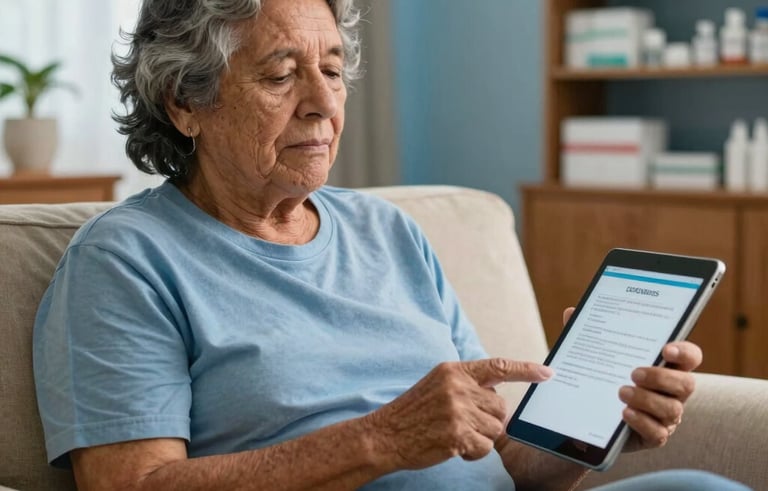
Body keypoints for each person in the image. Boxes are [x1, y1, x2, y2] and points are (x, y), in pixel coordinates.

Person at [32, 1, 751, 490]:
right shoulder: (126, 258)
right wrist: (379, 438)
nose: (322, 101)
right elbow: (135, 484)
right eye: (281, 74)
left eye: (335, 70)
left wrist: (599, 415)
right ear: (184, 103)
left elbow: (498, 459)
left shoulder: (391, 232)